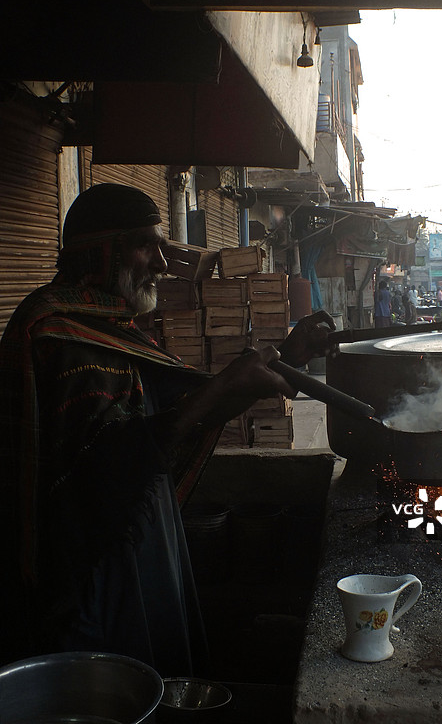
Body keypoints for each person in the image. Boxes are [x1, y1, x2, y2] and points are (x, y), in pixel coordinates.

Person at [0, 183, 334, 673]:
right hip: (94, 565)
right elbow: (104, 464)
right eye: (145, 246)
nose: (161, 263)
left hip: (144, 538)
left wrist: (285, 356)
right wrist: (223, 389)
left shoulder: (110, 326)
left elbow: (181, 404)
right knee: (117, 678)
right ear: (101, 252)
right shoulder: (57, 335)